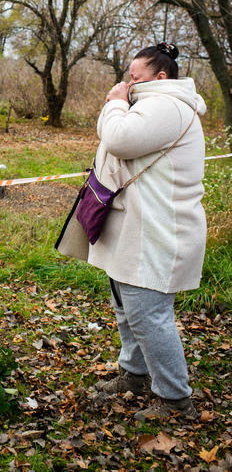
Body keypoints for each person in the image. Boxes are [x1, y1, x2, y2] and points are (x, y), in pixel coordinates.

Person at [89, 43, 207, 421]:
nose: (128, 83)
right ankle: (135, 375)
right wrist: (117, 106)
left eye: (135, 77)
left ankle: (175, 400)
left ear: (160, 78)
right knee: (128, 307)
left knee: (147, 313)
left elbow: (118, 139)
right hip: (139, 226)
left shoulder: (166, 105)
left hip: (159, 230)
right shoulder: (152, 104)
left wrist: (114, 102)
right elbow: (112, 133)